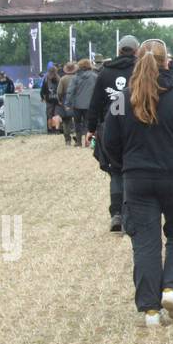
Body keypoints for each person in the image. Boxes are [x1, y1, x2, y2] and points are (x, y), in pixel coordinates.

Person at [102, 39, 173, 327]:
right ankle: (171, 288)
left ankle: (150, 310)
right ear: (168, 62)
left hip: (137, 179)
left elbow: (109, 142)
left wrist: (121, 166)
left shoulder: (121, 101)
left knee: (145, 243)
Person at [89, 35, 141, 233]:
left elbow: (95, 104)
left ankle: (117, 214)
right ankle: (131, 214)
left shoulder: (105, 72)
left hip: (110, 128)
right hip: (137, 126)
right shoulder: (140, 70)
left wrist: (91, 128)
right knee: (135, 171)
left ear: (119, 51)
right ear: (136, 51)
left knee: (116, 172)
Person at [65, 60, 99, 152]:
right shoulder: (95, 76)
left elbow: (70, 91)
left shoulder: (75, 77)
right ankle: (88, 142)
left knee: (77, 123)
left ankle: (78, 142)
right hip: (90, 105)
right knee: (88, 124)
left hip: (77, 105)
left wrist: (67, 103)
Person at [56, 63, 78, 146]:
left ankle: (67, 140)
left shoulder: (63, 79)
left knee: (66, 121)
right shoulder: (77, 78)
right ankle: (77, 138)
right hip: (76, 100)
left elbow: (59, 92)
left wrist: (60, 100)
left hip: (66, 100)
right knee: (77, 120)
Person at [40, 66, 62, 133]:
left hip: (49, 99)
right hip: (57, 100)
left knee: (49, 115)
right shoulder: (59, 79)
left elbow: (42, 90)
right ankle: (57, 129)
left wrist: (42, 98)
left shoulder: (46, 79)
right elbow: (61, 90)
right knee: (57, 114)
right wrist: (61, 99)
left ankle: (50, 130)